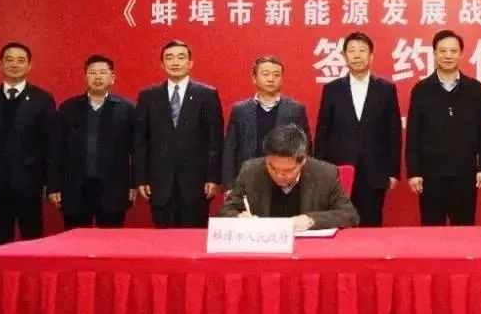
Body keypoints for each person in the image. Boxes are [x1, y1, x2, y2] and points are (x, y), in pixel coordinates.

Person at [0, 42, 58, 245]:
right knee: (0, 240)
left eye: (20, 60)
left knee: (32, 241)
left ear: (29, 66)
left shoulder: (42, 99)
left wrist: (50, 183)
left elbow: (50, 145)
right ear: (1, 64)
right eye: (9, 60)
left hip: (30, 184)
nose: (14, 65)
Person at [314, 32, 402, 227]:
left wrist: (393, 171)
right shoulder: (332, 89)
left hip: (375, 171)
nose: (357, 55)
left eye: (362, 51)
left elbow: (394, 132)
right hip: (338, 170)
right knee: (339, 223)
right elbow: (322, 131)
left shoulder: (386, 89)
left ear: (371, 56)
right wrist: (320, 169)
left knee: (371, 224)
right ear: (344, 56)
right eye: (352, 51)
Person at [405, 29, 481, 226]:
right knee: (432, 231)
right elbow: (413, 134)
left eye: (453, 51)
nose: (448, 55)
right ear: (434, 54)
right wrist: (414, 172)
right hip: (430, 177)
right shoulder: (421, 89)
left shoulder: (475, 89)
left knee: (464, 230)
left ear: (461, 54)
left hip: (465, 175)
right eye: (442, 51)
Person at [134, 39, 224, 228]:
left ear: (190, 63)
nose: (175, 62)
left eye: (181, 57)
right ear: (162, 64)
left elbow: (215, 140)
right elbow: (141, 141)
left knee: (193, 238)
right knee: (163, 238)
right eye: (169, 58)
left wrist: (213, 177)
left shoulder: (207, 95)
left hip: (196, 183)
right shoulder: (148, 96)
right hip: (159, 182)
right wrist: (141, 178)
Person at [49, 55, 136, 228]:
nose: (97, 77)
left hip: (113, 188)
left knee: (110, 240)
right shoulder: (68, 108)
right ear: (85, 76)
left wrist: (134, 184)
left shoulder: (126, 109)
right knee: (75, 238)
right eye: (93, 72)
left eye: (103, 72)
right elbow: (56, 149)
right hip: (75, 188)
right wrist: (53, 186)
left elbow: (136, 150)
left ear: (112, 77)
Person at [220, 124, 358, 231]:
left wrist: (310, 220)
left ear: (302, 161)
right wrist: (239, 218)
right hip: (265, 247)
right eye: (272, 168)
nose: (279, 175)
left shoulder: (325, 173)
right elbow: (227, 211)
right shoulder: (251, 171)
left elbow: (349, 215)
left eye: (287, 171)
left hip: (308, 248)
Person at [222, 55, 311, 190]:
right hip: (249, 178)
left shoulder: (295, 109)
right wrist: (229, 185)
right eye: (265, 74)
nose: (271, 79)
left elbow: (305, 148)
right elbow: (230, 150)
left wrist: (302, 180)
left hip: (284, 178)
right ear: (254, 78)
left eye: (276, 75)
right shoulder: (240, 110)